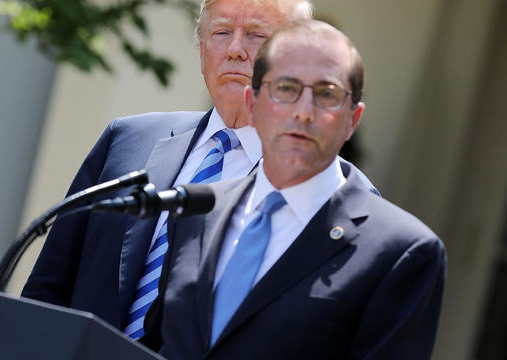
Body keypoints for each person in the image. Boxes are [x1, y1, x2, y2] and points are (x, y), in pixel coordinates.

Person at [21, 0, 374, 339]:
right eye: (221, 33)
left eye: (257, 35)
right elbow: (47, 289)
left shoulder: (334, 194)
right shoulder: (128, 140)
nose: (235, 49)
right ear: (202, 50)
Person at [140, 20, 446, 359]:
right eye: (286, 88)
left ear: (352, 120)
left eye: (326, 94)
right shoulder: (198, 212)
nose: (303, 112)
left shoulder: (401, 252)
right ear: (253, 105)